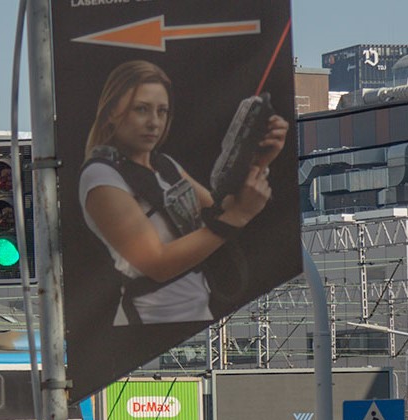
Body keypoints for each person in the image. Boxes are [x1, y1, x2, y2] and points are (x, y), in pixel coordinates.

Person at [79, 60, 288, 326]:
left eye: (162, 111)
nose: (154, 123)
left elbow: (218, 209)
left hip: (197, 312)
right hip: (146, 325)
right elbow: (157, 264)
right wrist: (237, 216)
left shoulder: (164, 165)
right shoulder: (100, 176)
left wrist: (256, 162)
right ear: (111, 112)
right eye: (141, 109)